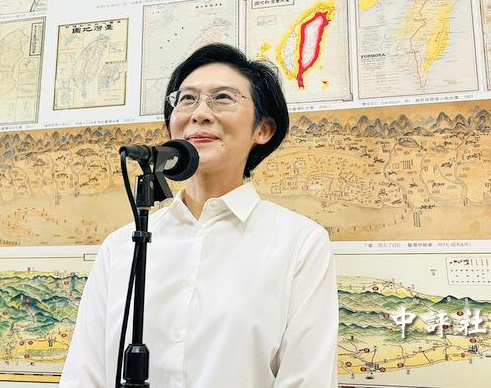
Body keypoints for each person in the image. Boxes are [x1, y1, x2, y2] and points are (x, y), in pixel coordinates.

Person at [60, 43, 338, 387]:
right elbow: (84, 374)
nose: (200, 113)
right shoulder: (121, 247)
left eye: (222, 98)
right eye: (187, 99)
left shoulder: (300, 244)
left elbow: (307, 379)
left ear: (263, 129)